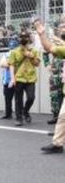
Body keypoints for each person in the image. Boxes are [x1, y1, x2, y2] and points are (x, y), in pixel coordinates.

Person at [35, 19, 65, 153]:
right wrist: (41, 34)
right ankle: (57, 143)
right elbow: (49, 49)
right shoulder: (61, 46)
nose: (63, 29)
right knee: (62, 116)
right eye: (61, 27)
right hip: (58, 78)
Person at [8, 31, 40, 126]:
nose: (23, 39)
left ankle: (25, 111)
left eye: (25, 37)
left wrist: (31, 57)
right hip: (19, 78)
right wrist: (12, 78)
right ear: (19, 39)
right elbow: (11, 65)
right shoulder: (14, 51)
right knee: (18, 99)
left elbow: (37, 64)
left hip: (30, 78)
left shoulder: (34, 50)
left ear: (29, 38)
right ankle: (19, 118)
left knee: (31, 98)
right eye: (21, 37)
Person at [42, 23, 65, 124]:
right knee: (55, 94)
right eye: (62, 28)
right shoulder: (54, 42)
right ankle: (56, 116)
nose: (63, 29)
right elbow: (45, 52)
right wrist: (47, 64)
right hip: (56, 71)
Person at [0, 39, 19, 120]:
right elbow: (1, 64)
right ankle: (8, 114)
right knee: (8, 98)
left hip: (18, 79)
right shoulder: (6, 54)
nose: (12, 49)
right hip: (7, 79)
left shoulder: (19, 54)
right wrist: (11, 64)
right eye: (11, 47)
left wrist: (10, 64)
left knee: (18, 99)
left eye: (13, 47)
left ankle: (19, 115)